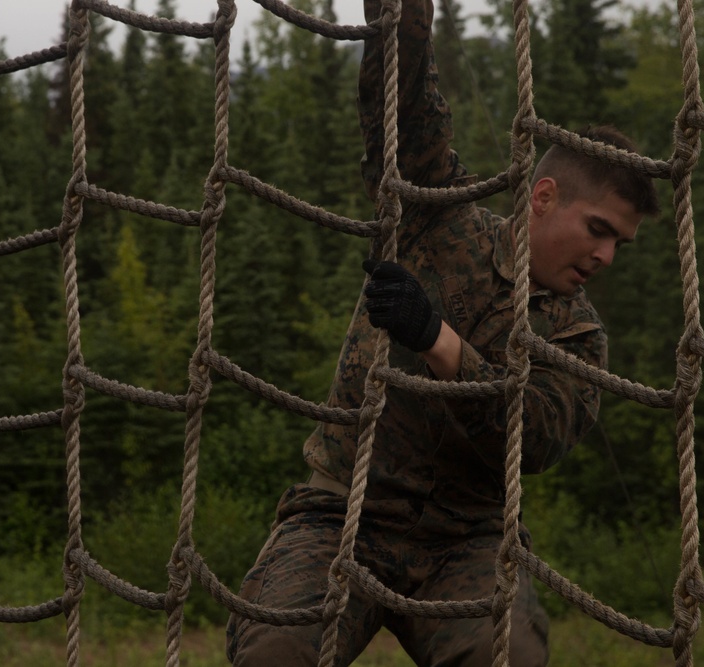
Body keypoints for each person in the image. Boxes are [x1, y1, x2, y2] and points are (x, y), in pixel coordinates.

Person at [226, 0, 660, 664]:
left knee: (508, 655)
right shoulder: (441, 220)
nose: (606, 256)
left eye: (620, 244)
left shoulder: (578, 336)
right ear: (543, 197)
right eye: (599, 229)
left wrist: (437, 338)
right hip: (343, 513)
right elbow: (404, 112)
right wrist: (404, 13)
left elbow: (534, 435)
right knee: (274, 651)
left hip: (469, 541)